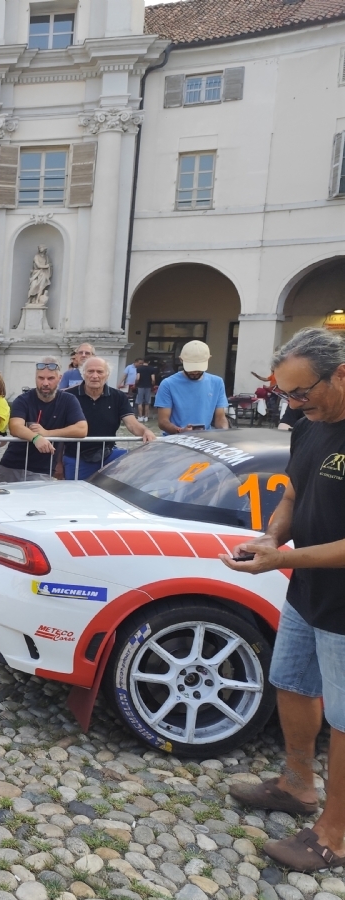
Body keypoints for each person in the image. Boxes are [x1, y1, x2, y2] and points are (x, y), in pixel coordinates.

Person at [223, 327, 345, 872]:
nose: (294, 404)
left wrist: (284, 559)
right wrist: (272, 538)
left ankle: (335, 835)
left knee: (344, 720)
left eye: (301, 392)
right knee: (292, 682)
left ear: (341, 372)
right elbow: (293, 491)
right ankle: (298, 785)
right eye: (285, 395)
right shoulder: (307, 426)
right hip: (307, 591)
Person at [62, 356, 154, 480]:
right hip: (76, 457)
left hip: (108, 456)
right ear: (83, 374)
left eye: (100, 371)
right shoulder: (68, 396)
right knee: (76, 496)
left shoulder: (118, 397)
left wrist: (145, 431)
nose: (95, 376)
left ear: (107, 375)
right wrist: (57, 463)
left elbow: (132, 424)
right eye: (90, 371)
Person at [0, 357, 87, 483]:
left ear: (59, 378)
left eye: (50, 378)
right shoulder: (23, 399)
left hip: (42, 469)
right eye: (41, 378)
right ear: (35, 378)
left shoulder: (69, 400)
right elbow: (15, 427)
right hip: (12, 465)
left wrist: (47, 434)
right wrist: (36, 438)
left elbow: (82, 429)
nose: (45, 383)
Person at [155, 340, 229, 433]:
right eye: (190, 368)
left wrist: (225, 432)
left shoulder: (217, 382)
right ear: (181, 360)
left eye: (198, 368)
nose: (194, 372)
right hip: (175, 440)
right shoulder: (168, 384)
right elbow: (163, 421)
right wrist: (181, 431)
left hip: (205, 439)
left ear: (208, 359)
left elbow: (220, 417)